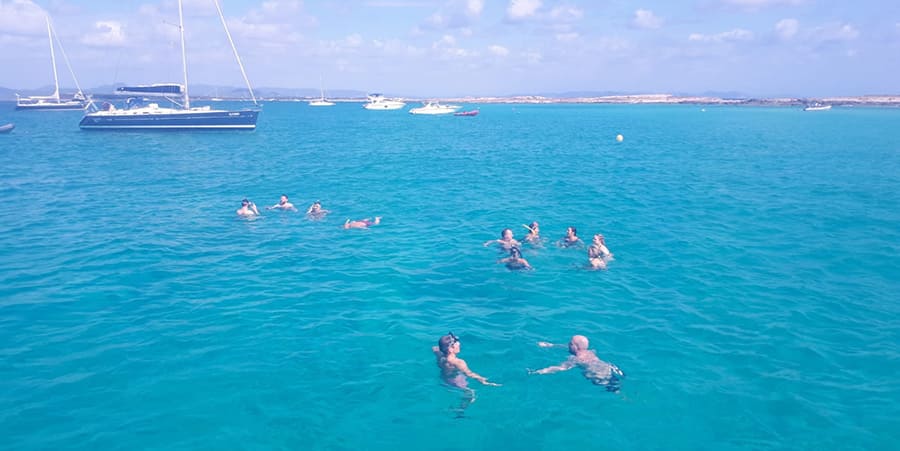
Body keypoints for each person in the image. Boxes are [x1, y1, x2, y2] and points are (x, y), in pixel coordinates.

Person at [432, 332, 500, 415]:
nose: (459, 344)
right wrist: (483, 380)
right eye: (455, 343)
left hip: (444, 379)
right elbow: (469, 374)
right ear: (450, 349)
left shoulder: (441, 356)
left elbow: (435, 348)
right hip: (456, 381)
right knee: (471, 394)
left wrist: (442, 347)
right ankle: (459, 410)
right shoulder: (459, 362)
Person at [528, 335, 624, 392]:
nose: (568, 344)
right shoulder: (591, 352)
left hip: (598, 378)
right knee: (618, 388)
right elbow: (568, 348)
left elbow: (561, 368)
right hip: (607, 370)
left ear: (575, 347)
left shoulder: (576, 358)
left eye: (570, 343)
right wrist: (551, 345)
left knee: (616, 392)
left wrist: (540, 371)